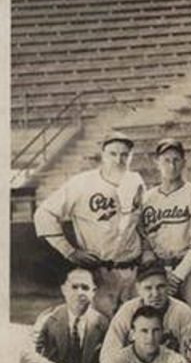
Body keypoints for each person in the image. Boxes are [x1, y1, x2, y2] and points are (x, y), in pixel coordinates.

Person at [33, 132, 144, 315]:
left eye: (124, 155)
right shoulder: (82, 183)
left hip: (133, 272)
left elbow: (139, 223)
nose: (118, 160)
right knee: (99, 331)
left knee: (134, 329)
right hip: (99, 274)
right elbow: (44, 214)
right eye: (112, 154)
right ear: (102, 155)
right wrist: (69, 251)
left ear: (131, 157)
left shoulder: (135, 181)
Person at [139, 139, 191, 316]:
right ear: (157, 162)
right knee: (159, 322)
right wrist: (156, 272)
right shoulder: (147, 198)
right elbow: (145, 242)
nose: (171, 165)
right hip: (159, 269)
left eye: (176, 160)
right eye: (166, 160)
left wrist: (177, 276)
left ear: (184, 162)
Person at [101, 261, 191, 363]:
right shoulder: (128, 311)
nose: (155, 294)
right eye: (148, 288)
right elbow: (109, 353)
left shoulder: (183, 313)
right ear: (138, 289)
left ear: (168, 286)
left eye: (161, 287)